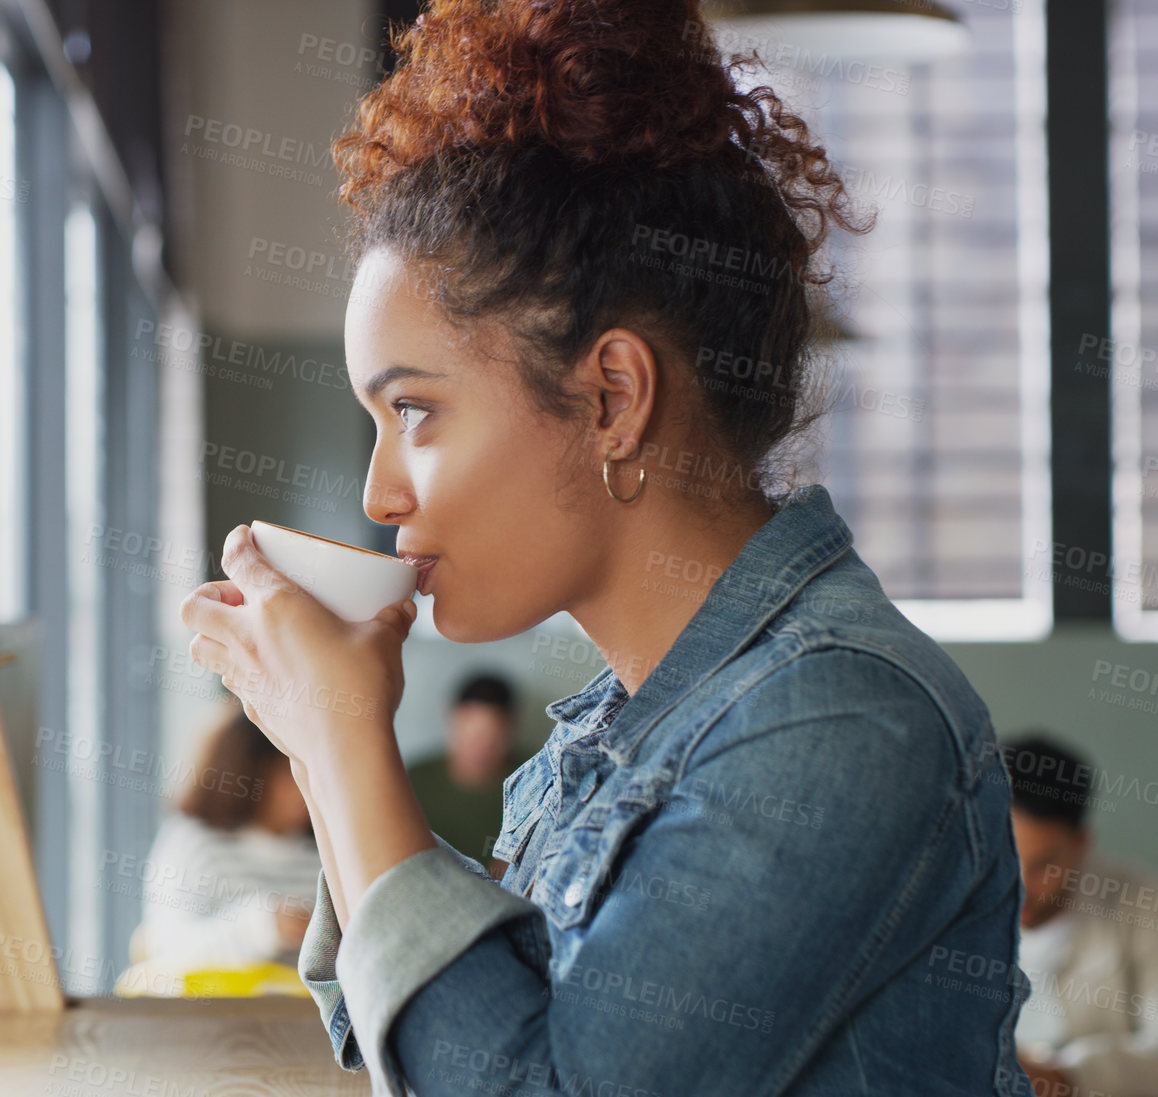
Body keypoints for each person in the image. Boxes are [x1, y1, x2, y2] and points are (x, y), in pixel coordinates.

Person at [177, 1, 1033, 1093]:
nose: (379, 490)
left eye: (417, 412)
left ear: (613, 398)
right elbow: (444, 1037)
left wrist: (343, 743)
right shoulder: (628, 721)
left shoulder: (839, 716)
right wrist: (318, 734)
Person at [1003, 734, 1158, 1096]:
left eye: (1044, 864)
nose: (1020, 887)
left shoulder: (1142, 906)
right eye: (1005, 859)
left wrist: (1064, 1080)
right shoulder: (935, 910)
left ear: (1081, 844)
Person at [128, 703, 322, 972]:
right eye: (293, 771)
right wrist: (262, 927)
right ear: (251, 770)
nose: (311, 785)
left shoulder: (324, 851)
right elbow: (167, 950)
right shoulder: (193, 842)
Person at [405, 673, 533, 875]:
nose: (481, 748)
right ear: (452, 721)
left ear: (511, 729)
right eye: (471, 734)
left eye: (493, 736)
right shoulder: (414, 780)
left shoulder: (533, 780)